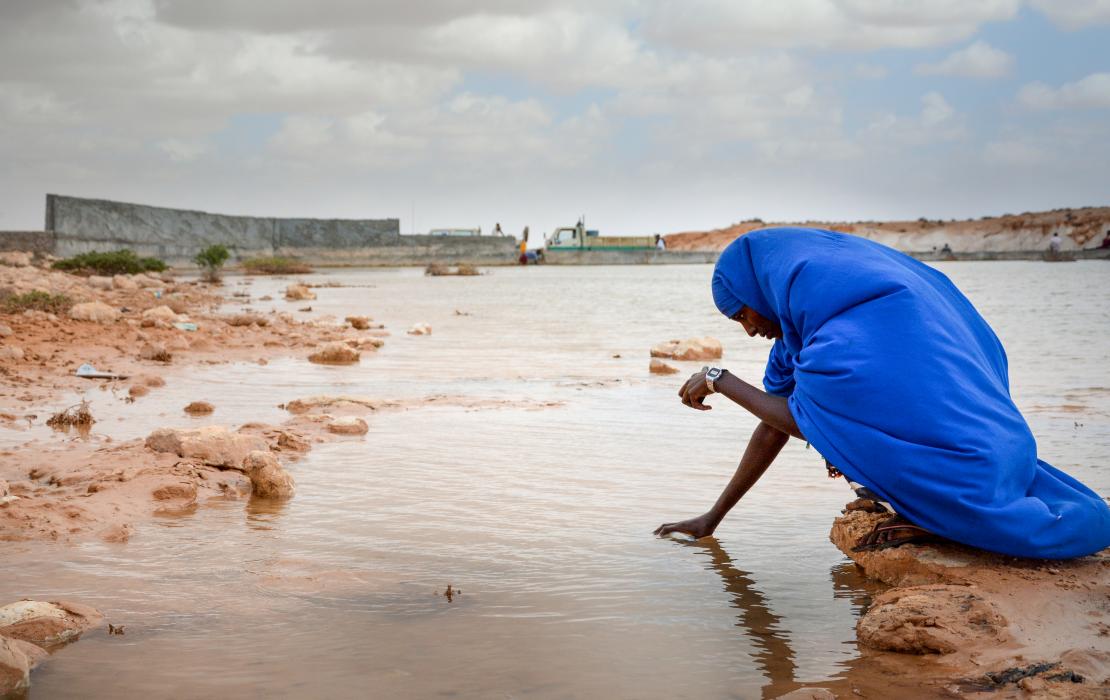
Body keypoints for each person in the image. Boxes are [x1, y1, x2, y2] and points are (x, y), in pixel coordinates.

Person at [655, 227, 1110, 559]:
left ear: (764, 290)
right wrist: (712, 518)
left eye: (743, 316)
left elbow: (807, 420)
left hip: (971, 472)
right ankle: (918, 506)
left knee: (836, 418)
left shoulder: (848, 332)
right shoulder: (803, 330)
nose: (750, 328)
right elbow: (773, 425)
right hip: (1002, 457)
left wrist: (720, 379)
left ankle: (930, 517)